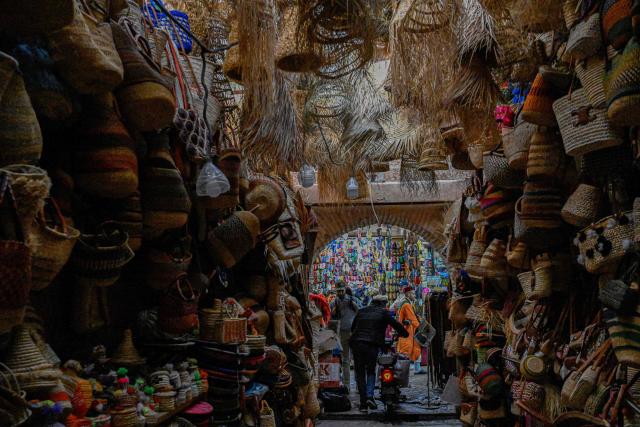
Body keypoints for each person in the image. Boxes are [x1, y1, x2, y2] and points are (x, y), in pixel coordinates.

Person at [349, 294, 409, 412]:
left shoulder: (361, 311)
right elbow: (396, 325)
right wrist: (405, 334)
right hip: (372, 344)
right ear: (381, 304)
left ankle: (363, 404)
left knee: (360, 373)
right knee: (371, 370)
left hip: (357, 344)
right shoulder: (383, 313)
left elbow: (353, 328)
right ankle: (370, 396)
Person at [330, 281, 358, 390]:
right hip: (342, 333)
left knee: (356, 359)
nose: (340, 293)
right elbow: (331, 318)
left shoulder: (352, 300)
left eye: (342, 291)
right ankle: (347, 385)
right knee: (345, 360)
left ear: (345, 290)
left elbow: (359, 312)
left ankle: (358, 385)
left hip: (353, 332)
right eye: (338, 291)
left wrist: (353, 304)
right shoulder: (334, 302)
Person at [396, 286, 425, 374]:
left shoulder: (407, 302)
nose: (414, 295)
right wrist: (420, 328)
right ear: (408, 294)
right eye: (412, 293)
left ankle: (417, 368)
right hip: (407, 330)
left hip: (409, 329)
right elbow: (412, 318)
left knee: (415, 348)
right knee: (406, 350)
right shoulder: (406, 304)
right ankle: (402, 372)